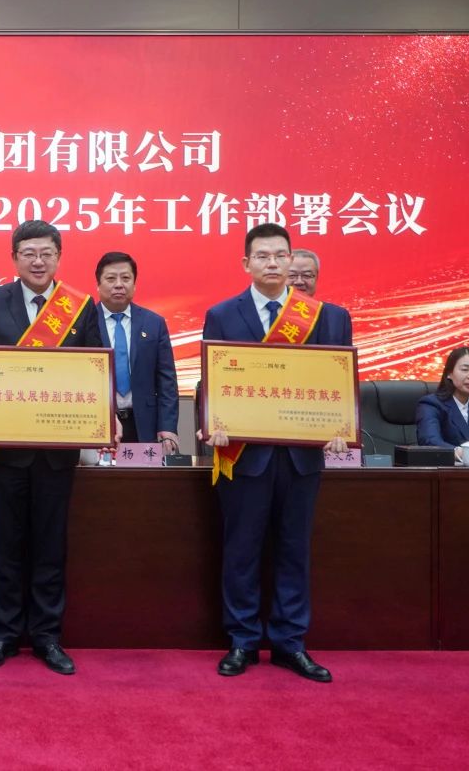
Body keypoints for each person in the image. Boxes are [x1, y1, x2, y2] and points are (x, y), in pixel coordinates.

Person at [201, 223, 350, 683]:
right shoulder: (222, 314)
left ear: (291, 261)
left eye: (279, 255)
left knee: (294, 549)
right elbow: (211, 379)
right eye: (262, 256)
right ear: (246, 263)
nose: (272, 263)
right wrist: (210, 423)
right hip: (244, 453)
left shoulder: (329, 317)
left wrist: (341, 428)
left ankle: (290, 642)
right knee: (241, 550)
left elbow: (339, 381)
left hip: (302, 456)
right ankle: (242, 640)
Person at [0, 220, 105, 676]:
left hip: (57, 448)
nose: (38, 261)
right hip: (5, 448)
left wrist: (105, 418)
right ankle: (4, 634)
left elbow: (97, 370)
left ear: (58, 257)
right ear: (14, 258)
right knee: (6, 544)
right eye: (29, 253)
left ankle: (46, 636)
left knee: (49, 544)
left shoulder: (80, 307)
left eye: (46, 253)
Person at [94, 251, 179, 447]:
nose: (119, 284)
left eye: (125, 278)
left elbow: (166, 380)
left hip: (145, 425)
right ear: (98, 284)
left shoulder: (154, 323)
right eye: (110, 278)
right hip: (99, 423)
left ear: (134, 284)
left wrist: (168, 427)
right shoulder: (85, 321)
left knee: (141, 469)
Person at [287, 249, 353, 346]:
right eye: (292, 275)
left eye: (307, 275)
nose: (299, 282)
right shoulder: (269, 314)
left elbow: (346, 354)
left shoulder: (337, 316)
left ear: (316, 277)